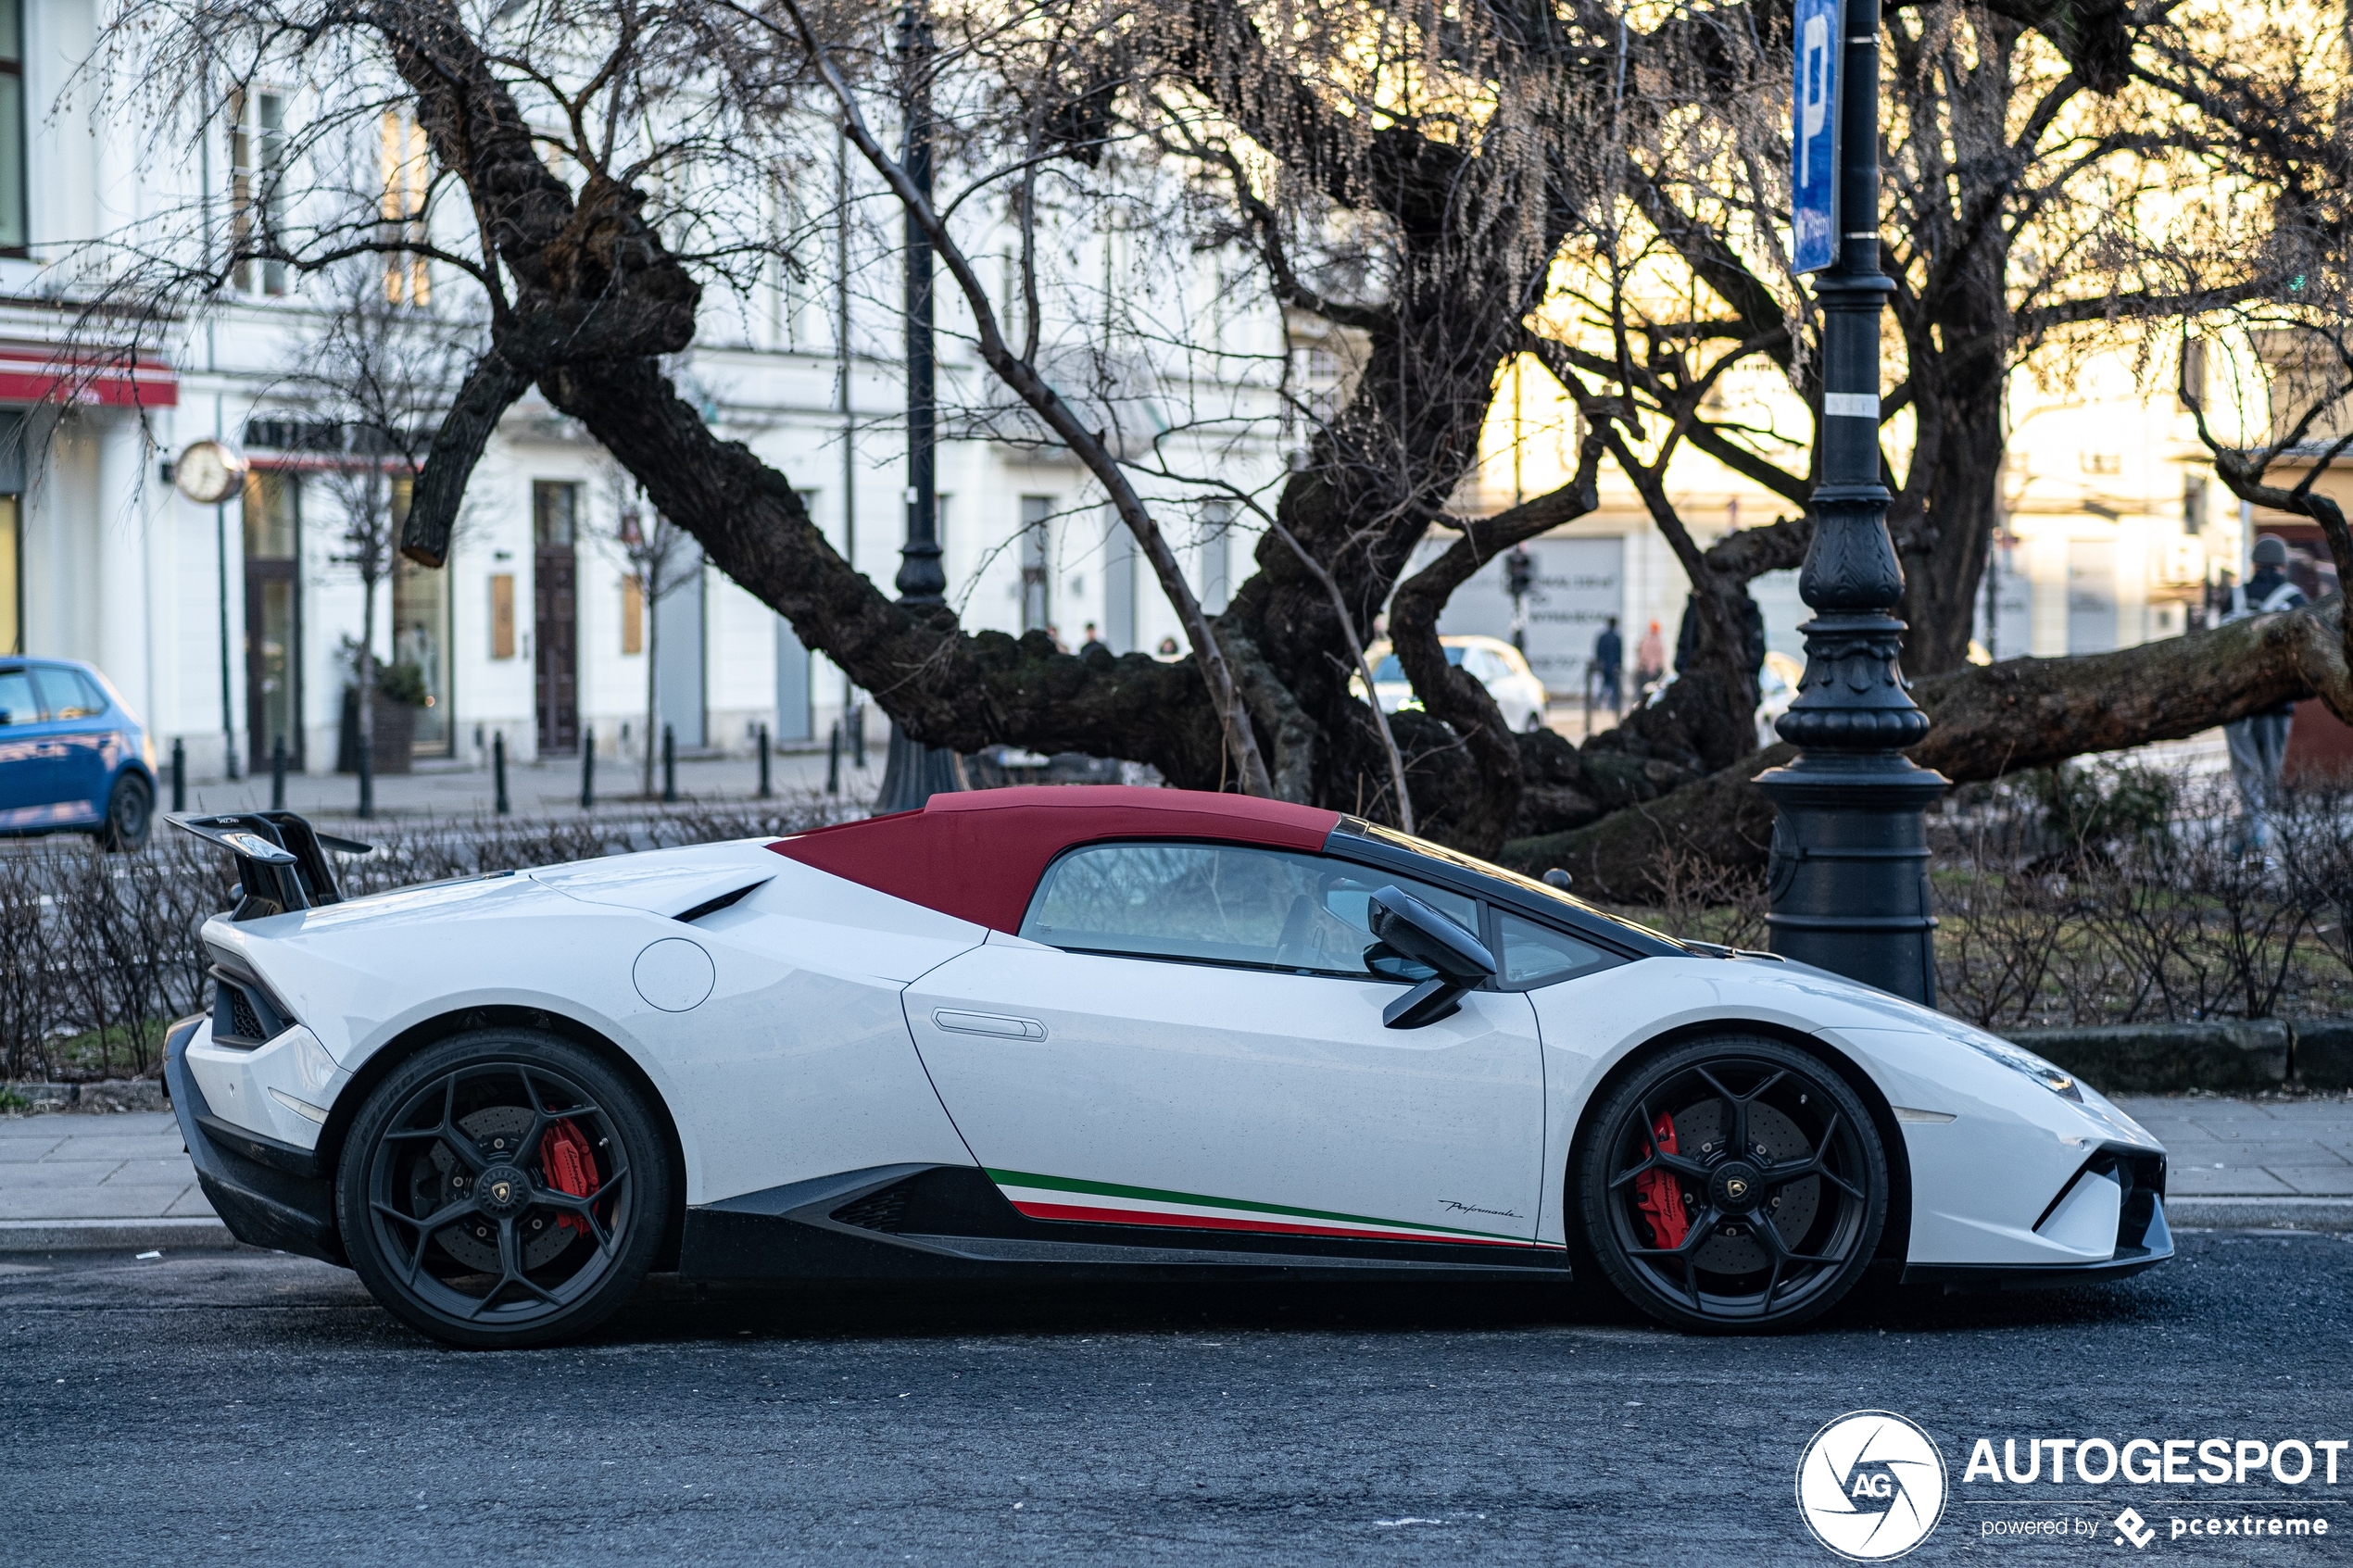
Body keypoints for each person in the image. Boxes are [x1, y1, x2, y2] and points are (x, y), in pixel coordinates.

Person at [2222, 535, 2307, 849]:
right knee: (2268, 778)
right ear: (2283, 565)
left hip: (2236, 707)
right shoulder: (2295, 599)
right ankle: (2256, 843)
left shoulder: (2234, 598)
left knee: (2247, 776)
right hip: (2276, 705)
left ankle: (2243, 843)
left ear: (2254, 564)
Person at [1591, 616, 1623, 714]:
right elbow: (1619, 653)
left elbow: (1598, 651)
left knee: (1604, 686)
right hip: (1613, 667)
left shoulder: (1603, 637)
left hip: (1604, 666)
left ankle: (1598, 706)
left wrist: (1600, 663)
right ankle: (1613, 707)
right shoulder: (1617, 638)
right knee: (1613, 688)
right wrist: (1619, 665)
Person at [1633, 619, 1666, 702]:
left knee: (1643, 693)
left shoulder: (1645, 640)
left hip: (1645, 670)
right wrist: (1652, 668)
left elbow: (1643, 654)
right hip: (1651, 671)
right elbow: (1650, 657)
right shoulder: (1656, 641)